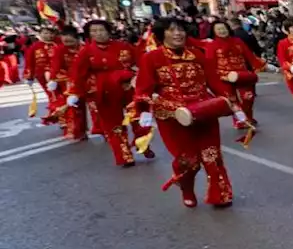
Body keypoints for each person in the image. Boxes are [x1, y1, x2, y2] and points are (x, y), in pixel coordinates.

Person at [134, 18, 244, 209]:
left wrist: (234, 106)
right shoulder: (151, 58)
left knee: (212, 155)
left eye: (181, 30)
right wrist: (144, 111)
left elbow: (214, 82)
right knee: (188, 161)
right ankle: (186, 188)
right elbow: (144, 88)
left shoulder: (197, 55)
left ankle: (221, 195)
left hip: (204, 110)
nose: (178, 34)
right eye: (171, 30)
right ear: (162, 34)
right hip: (173, 116)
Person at [66, 20, 154, 167]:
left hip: (128, 88)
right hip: (104, 91)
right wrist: (74, 92)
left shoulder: (124, 46)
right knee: (114, 124)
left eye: (101, 30)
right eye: (93, 31)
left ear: (108, 31)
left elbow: (141, 62)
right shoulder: (86, 52)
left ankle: (143, 145)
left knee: (138, 118)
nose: (98, 34)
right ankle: (124, 155)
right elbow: (78, 74)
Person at [205, 19, 269, 129]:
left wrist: (261, 65)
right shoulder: (211, 45)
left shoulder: (238, 41)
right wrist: (212, 79)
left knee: (248, 97)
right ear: (214, 32)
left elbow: (249, 55)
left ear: (228, 29)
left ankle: (248, 117)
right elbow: (210, 63)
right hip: (224, 77)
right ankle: (240, 120)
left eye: (224, 28)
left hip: (242, 74)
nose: (222, 31)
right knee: (232, 100)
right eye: (218, 29)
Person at [47, 26, 87, 142]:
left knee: (94, 107)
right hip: (68, 81)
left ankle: (102, 129)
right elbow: (55, 66)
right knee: (73, 107)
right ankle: (75, 131)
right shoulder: (60, 50)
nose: (68, 44)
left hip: (86, 80)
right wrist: (52, 79)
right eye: (65, 41)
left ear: (77, 39)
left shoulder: (85, 48)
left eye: (70, 41)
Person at [23, 26, 57, 125]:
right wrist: (29, 76)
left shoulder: (57, 44)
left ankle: (61, 115)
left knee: (61, 95)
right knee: (51, 95)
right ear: (40, 34)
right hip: (42, 75)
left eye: (50, 33)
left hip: (59, 74)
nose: (48, 35)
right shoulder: (35, 47)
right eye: (45, 33)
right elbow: (29, 62)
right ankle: (57, 115)